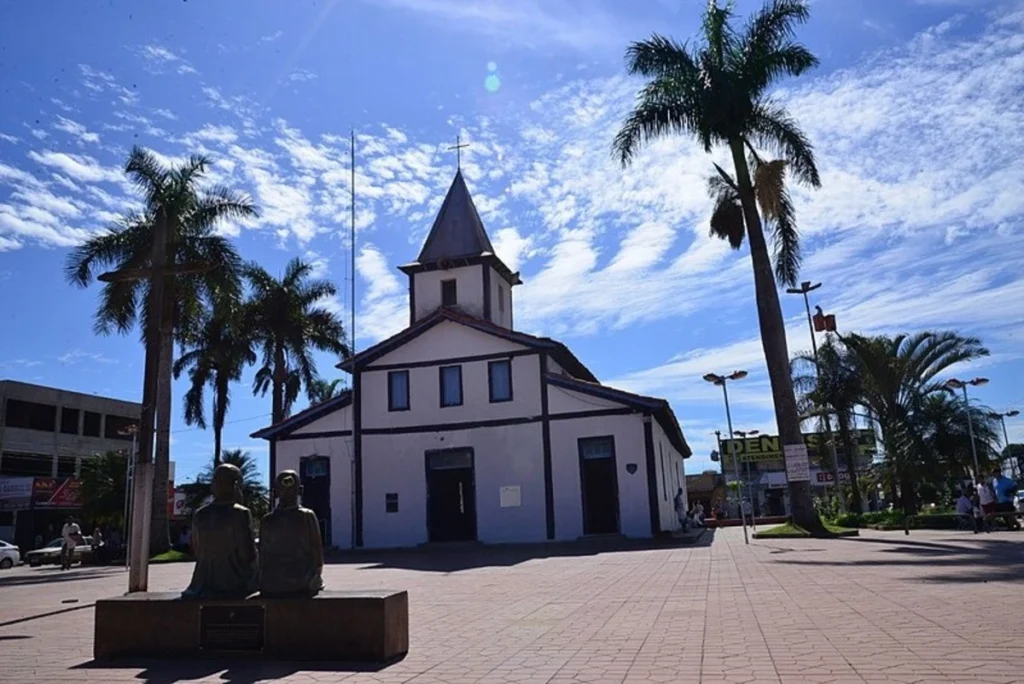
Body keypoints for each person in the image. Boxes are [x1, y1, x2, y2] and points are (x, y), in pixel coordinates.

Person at [182, 463, 258, 599]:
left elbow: (197, 550)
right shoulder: (240, 513)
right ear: (236, 486)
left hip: (202, 586)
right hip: (234, 585)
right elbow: (248, 555)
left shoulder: (200, 514)